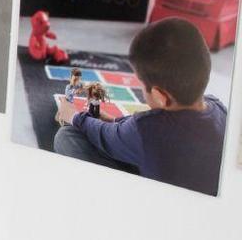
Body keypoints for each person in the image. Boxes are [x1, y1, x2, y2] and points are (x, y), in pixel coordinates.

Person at [55, 18, 226, 196]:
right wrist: (114, 120)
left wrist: (73, 115)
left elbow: (106, 135)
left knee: (67, 137)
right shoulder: (218, 107)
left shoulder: (147, 129)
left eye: (142, 84)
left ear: (161, 97)